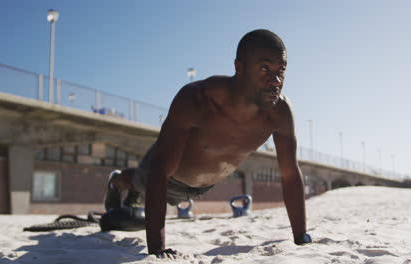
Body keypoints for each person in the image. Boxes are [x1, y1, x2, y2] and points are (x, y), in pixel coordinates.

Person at [104, 29, 312, 258]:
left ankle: (131, 190)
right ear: (239, 67)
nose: (276, 81)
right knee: (137, 181)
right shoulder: (197, 99)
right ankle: (116, 181)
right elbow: (159, 172)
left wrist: (301, 236)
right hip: (167, 177)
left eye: (280, 71)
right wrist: (157, 249)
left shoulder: (279, 113)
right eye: (264, 69)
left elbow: (290, 175)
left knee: (157, 192)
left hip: (203, 185)